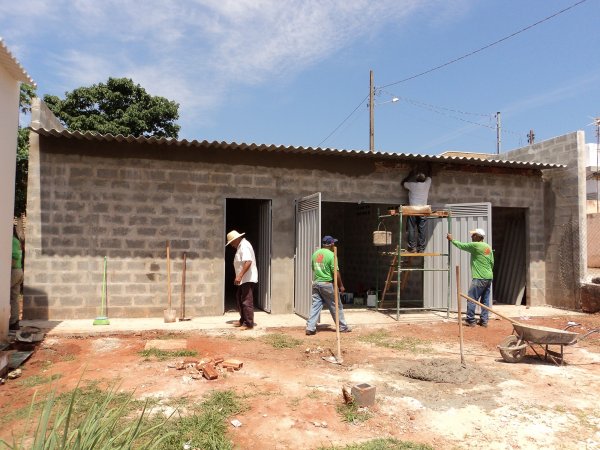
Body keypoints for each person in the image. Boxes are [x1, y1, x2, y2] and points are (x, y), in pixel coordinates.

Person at [447, 228, 494, 327]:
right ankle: (484, 321)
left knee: (471, 298)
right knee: (485, 300)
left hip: (479, 277)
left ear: (477, 236)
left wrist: (451, 240)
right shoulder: (488, 247)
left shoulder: (475, 245)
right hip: (489, 277)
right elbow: (492, 262)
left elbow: (461, 245)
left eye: (473, 235)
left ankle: (470, 320)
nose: (471, 236)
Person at [305, 235, 351, 336]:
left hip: (316, 283)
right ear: (332, 244)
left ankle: (310, 328)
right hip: (327, 284)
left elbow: (313, 268)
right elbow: (336, 272)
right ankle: (343, 327)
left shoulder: (315, 254)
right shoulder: (331, 255)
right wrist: (341, 285)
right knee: (336, 305)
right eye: (334, 243)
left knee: (316, 306)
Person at [226, 230, 258, 330]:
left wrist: (240, 276)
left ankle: (248, 324)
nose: (232, 245)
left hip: (247, 278)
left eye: (231, 243)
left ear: (236, 239)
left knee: (246, 301)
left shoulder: (244, 246)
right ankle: (243, 320)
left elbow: (248, 261)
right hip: (244, 279)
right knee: (239, 298)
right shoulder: (241, 246)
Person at [402, 170, 432, 253]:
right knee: (422, 230)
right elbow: (430, 176)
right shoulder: (427, 184)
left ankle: (412, 248)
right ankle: (421, 249)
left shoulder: (412, 185)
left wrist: (409, 175)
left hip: (413, 210)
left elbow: (403, 183)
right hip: (423, 210)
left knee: (411, 229)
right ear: (424, 179)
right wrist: (429, 166)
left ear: (416, 179)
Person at [10, 225, 23, 331]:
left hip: (13, 271)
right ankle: (14, 322)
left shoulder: (12, 240)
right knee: (14, 298)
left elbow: (14, 256)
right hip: (19, 271)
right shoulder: (16, 240)